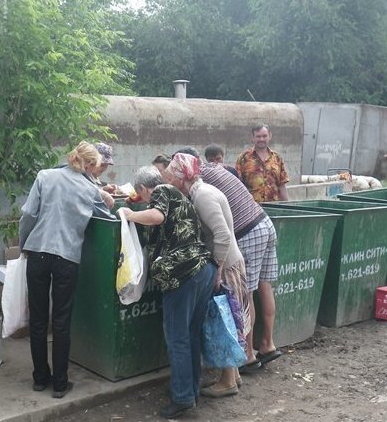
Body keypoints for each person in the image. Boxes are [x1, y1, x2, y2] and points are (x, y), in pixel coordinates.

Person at [19, 141, 115, 399]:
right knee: (61, 322)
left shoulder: (45, 176)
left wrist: (23, 244)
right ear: (89, 164)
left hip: (37, 252)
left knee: (38, 319)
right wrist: (106, 198)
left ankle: (40, 379)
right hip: (67, 259)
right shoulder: (89, 188)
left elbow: (28, 214)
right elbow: (108, 217)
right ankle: (60, 384)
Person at [118, 166, 216, 419]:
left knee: (177, 338)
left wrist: (129, 213)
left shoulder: (162, 190)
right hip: (202, 270)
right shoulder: (179, 198)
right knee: (191, 335)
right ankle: (191, 391)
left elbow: (157, 217)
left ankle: (182, 397)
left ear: (143, 189)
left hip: (183, 274)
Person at [176, 147, 283, 371]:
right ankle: (268, 344)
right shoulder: (216, 168)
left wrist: (218, 264)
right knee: (265, 286)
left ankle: (247, 355)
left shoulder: (200, 182)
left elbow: (219, 231)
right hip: (263, 221)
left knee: (245, 294)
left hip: (247, 231)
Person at [165, 153, 249, 398]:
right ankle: (233, 375)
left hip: (227, 263)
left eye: (172, 177)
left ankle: (228, 381)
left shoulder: (202, 197)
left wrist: (218, 268)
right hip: (227, 261)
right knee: (228, 318)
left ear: (182, 178)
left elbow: (222, 235)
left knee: (223, 322)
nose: (170, 182)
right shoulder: (202, 191)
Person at [235, 125, 290, 202]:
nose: (261, 139)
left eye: (264, 136)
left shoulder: (277, 158)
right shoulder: (244, 158)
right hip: (252, 208)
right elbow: (238, 185)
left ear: (270, 136)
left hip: (275, 207)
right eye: (258, 136)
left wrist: (287, 207)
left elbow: (282, 185)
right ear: (252, 137)